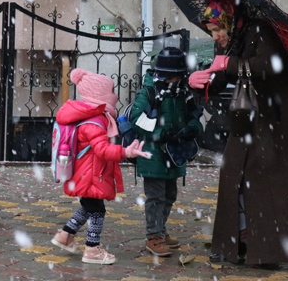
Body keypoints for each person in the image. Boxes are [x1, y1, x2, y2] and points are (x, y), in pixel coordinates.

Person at [188, 0, 288, 268]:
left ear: (229, 19)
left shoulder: (263, 30)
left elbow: (269, 66)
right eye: (211, 31)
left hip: (283, 115)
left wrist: (228, 64)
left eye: (218, 29)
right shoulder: (233, 37)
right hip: (251, 115)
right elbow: (221, 75)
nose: (216, 36)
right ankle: (241, 236)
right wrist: (198, 82)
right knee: (232, 170)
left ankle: (271, 248)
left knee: (271, 179)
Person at [50, 68, 150, 265]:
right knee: (96, 211)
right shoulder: (95, 121)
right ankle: (92, 249)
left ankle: (65, 235)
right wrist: (126, 152)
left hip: (85, 173)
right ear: (101, 95)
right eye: (112, 91)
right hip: (90, 174)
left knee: (88, 207)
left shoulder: (88, 116)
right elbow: (103, 150)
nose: (115, 95)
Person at [128, 47, 203, 257]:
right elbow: (137, 120)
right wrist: (161, 133)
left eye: (180, 76)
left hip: (175, 153)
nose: (177, 80)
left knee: (170, 195)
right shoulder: (149, 92)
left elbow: (194, 116)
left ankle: (160, 229)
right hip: (152, 154)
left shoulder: (183, 93)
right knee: (155, 196)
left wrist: (193, 128)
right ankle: (154, 236)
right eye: (174, 77)